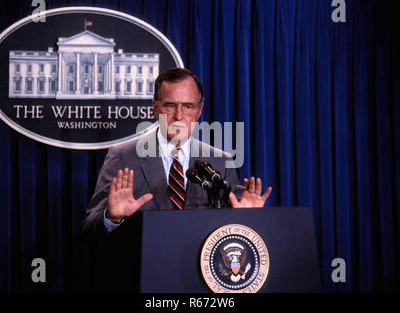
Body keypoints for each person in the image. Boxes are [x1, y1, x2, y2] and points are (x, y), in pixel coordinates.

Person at [83, 67, 272, 240]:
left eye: (188, 106)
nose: (179, 116)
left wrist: (247, 219)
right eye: (170, 105)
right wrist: (112, 218)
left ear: (199, 110)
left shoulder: (220, 161)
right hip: (144, 271)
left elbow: (231, 237)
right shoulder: (124, 156)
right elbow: (90, 228)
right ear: (156, 107)